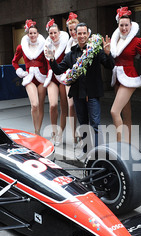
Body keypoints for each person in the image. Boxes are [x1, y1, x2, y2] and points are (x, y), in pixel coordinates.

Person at [46, 22, 114, 159]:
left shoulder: (95, 50)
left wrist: (108, 53)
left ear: (88, 34)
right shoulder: (71, 54)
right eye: (79, 33)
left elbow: (109, 66)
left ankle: (99, 152)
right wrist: (52, 60)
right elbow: (59, 70)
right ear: (75, 35)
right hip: (78, 94)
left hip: (93, 93)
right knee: (83, 124)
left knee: (95, 124)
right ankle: (87, 150)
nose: (82, 36)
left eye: (84, 33)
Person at [110, 7, 141, 143]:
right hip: (117, 78)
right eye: (122, 25)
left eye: (127, 25)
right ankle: (128, 144)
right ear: (118, 25)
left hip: (129, 77)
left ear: (131, 25)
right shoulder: (114, 41)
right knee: (126, 114)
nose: (124, 28)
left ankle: (120, 146)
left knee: (114, 111)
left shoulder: (137, 41)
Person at [12, 19, 48, 135]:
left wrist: (48, 75)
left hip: (41, 77)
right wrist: (20, 71)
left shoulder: (43, 46)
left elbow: (48, 61)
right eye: (30, 33)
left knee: (41, 105)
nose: (33, 35)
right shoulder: (21, 47)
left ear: (38, 34)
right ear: (27, 34)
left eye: (34, 33)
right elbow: (14, 62)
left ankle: (38, 131)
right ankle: (36, 130)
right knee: (34, 104)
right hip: (29, 78)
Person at [44, 19, 69, 146]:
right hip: (52, 76)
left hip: (63, 76)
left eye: (55, 33)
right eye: (50, 33)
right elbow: (46, 63)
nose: (53, 35)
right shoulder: (47, 46)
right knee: (53, 105)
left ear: (59, 32)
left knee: (64, 106)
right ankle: (54, 132)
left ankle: (60, 134)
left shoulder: (66, 43)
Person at [64, 12, 81, 147]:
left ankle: (83, 133)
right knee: (71, 105)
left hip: (82, 78)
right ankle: (74, 134)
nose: (73, 32)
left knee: (81, 105)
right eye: (70, 30)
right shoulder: (68, 44)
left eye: (75, 29)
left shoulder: (84, 40)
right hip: (69, 76)